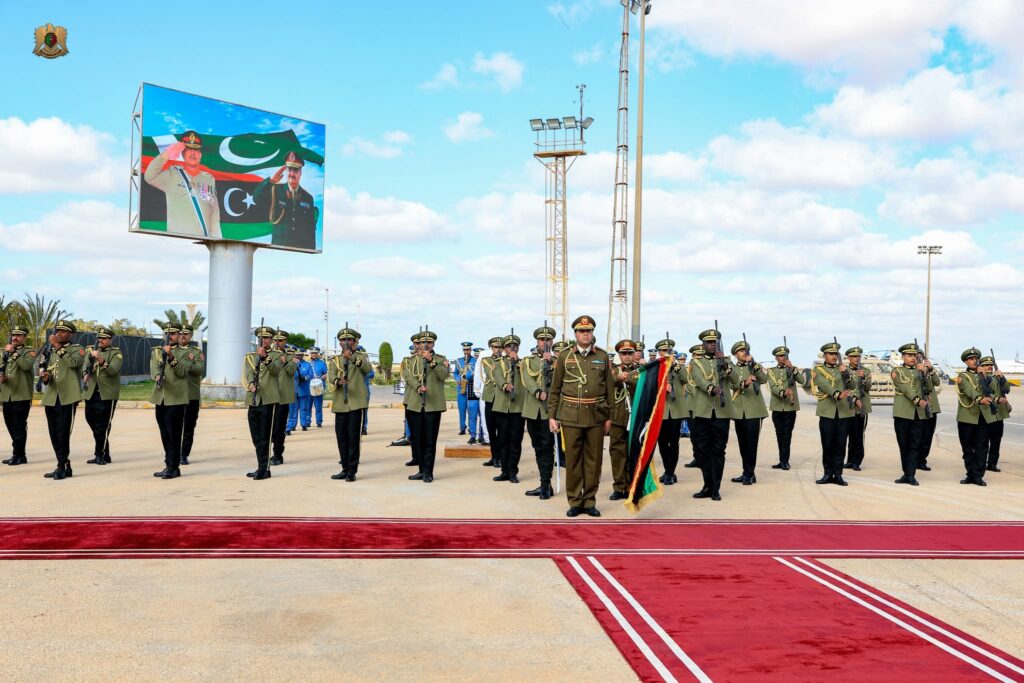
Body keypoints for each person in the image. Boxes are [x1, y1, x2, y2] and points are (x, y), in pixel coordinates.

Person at [547, 315, 615, 518]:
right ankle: (575, 501)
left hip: (596, 415)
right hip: (570, 416)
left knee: (594, 461)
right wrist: (552, 416)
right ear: (575, 334)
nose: (585, 334)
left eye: (588, 331)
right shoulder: (565, 356)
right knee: (573, 460)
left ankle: (590, 501)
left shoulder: (602, 356)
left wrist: (609, 417)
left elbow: (610, 390)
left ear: (592, 333)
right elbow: (555, 389)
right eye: (581, 331)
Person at [143, 131, 221, 238]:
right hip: (177, 239)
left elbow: (214, 214)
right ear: (183, 153)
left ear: (200, 154)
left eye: (196, 149)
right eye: (189, 149)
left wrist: (215, 240)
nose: (193, 153)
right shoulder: (172, 174)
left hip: (203, 241)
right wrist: (166, 155)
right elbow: (149, 176)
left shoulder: (209, 179)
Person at [688, 329, 737, 501]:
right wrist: (711, 388)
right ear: (703, 345)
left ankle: (715, 488)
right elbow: (698, 379)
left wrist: (726, 367)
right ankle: (707, 484)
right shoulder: (696, 362)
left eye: (714, 342)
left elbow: (736, 380)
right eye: (709, 342)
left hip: (721, 413)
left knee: (718, 451)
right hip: (702, 412)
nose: (712, 345)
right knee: (702, 451)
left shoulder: (726, 361)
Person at [39, 320, 85, 480]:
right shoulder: (51, 351)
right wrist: (46, 377)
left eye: (63, 331)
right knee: (53, 433)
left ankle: (62, 465)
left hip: (68, 397)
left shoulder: (77, 350)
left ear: (71, 334)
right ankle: (63, 464)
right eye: (57, 331)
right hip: (52, 397)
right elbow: (51, 370)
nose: (58, 334)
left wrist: (58, 347)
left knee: (63, 433)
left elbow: (73, 363)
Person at [150, 322, 195, 479]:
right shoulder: (157, 351)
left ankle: (174, 467)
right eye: (166, 333)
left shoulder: (186, 352)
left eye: (173, 333)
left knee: (174, 433)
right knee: (164, 433)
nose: (169, 336)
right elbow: (154, 367)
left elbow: (182, 372)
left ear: (179, 335)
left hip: (176, 398)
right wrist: (157, 375)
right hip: (160, 397)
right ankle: (169, 464)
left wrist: (170, 356)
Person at [329, 328, 373, 481]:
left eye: (349, 340)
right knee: (341, 437)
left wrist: (352, 358)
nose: (346, 342)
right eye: (343, 340)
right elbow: (331, 375)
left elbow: (367, 369)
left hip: (356, 403)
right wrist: (338, 381)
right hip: (340, 402)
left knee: (353, 437)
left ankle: (352, 471)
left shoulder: (361, 356)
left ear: (355, 342)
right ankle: (344, 468)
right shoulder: (335, 359)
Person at [406, 329, 449, 483]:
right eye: (423, 342)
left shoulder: (440, 359)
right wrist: (418, 386)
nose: (426, 345)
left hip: (433, 405)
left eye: (429, 342)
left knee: (430, 440)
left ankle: (428, 472)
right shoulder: (411, 360)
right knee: (417, 440)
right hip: (415, 404)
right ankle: (420, 470)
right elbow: (408, 376)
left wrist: (431, 361)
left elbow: (443, 375)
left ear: (433, 344)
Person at [253, 151, 318, 251]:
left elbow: (310, 230)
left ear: (300, 173)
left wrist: (311, 252)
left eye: (295, 170)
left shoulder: (308, 198)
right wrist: (270, 181)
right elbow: (257, 199)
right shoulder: (275, 190)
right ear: (286, 171)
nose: (292, 173)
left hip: (299, 250)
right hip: (279, 248)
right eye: (289, 169)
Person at [811, 340, 854, 486]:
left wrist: (846, 373)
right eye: (831, 354)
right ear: (825, 355)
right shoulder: (818, 370)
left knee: (841, 445)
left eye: (836, 354)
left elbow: (852, 385)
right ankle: (828, 473)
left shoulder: (843, 369)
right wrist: (837, 394)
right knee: (828, 444)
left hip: (843, 413)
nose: (834, 356)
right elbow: (824, 385)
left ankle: (838, 474)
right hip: (827, 412)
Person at [521, 326, 557, 499]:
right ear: (537, 341)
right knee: (538, 447)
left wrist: (551, 365)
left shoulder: (557, 361)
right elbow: (527, 379)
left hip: (549, 412)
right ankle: (545, 483)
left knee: (547, 447)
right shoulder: (529, 361)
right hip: (533, 410)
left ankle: (545, 485)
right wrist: (537, 391)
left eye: (548, 340)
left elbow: (559, 382)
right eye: (542, 340)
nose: (545, 342)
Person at [243, 325, 281, 480]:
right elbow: (248, 373)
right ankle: (261, 466)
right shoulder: (250, 356)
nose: (263, 340)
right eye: (261, 337)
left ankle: (264, 469)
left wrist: (265, 357)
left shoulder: (277, 355)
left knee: (265, 436)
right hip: (254, 399)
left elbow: (276, 371)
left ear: (271, 340)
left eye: (266, 338)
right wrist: (251, 383)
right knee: (256, 437)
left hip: (268, 399)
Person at [729, 338, 767, 486]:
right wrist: (744, 383)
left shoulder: (755, 366)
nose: (744, 353)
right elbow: (732, 384)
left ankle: (749, 474)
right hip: (739, 411)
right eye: (740, 351)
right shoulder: (732, 368)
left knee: (751, 444)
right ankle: (747, 472)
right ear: (735, 354)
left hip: (754, 411)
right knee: (743, 445)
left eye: (745, 350)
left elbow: (763, 379)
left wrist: (754, 365)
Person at [83, 326, 122, 466]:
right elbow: (85, 365)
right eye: (99, 338)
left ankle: (99, 454)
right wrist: (85, 374)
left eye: (104, 338)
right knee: (91, 420)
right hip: (91, 393)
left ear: (110, 340)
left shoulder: (116, 353)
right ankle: (105, 453)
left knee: (102, 426)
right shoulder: (90, 351)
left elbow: (113, 371)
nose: (101, 340)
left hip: (106, 394)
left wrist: (100, 359)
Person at [492, 333, 526, 484]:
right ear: (504, 349)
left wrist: (516, 362)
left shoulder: (523, 363)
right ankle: (504, 470)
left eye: (514, 346)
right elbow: (497, 375)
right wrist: (505, 385)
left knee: (515, 441)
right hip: (502, 408)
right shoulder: (498, 362)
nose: (512, 349)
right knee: (502, 440)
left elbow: (526, 376)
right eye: (508, 346)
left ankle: (512, 471)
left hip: (518, 407)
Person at [1, 323, 36, 467]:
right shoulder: (5, 352)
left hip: (21, 395)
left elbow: (26, 366)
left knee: (19, 426)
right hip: (7, 395)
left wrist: (14, 353)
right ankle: (19, 454)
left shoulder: (29, 352)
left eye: (18, 335)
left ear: (25, 337)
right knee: (10, 425)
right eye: (13, 335)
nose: (14, 338)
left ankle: (19, 455)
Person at [954, 348, 989, 486]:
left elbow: (993, 388)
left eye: (976, 358)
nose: (974, 361)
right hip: (967, 417)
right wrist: (979, 398)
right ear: (965, 362)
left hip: (982, 416)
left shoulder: (985, 375)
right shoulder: (963, 376)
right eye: (971, 359)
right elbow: (968, 389)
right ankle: (970, 474)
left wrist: (984, 376)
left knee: (982, 447)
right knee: (967, 447)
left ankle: (978, 475)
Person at [608, 339, 638, 500]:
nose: (627, 356)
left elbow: (643, 384)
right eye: (624, 353)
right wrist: (618, 377)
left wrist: (627, 378)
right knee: (617, 454)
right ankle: (619, 487)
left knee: (633, 453)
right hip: (617, 418)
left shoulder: (640, 371)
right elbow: (606, 381)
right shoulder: (613, 370)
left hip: (635, 418)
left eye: (630, 353)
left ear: (634, 354)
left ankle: (631, 486)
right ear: (619, 355)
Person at [655, 336, 686, 485]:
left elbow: (686, 379)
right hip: (661, 411)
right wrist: (662, 389)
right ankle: (668, 470)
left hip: (675, 410)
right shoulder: (655, 368)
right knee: (662, 443)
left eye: (669, 351)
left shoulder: (678, 367)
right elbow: (650, 387)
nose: (666, 353)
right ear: (659, 352)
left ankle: (670, 472)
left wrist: (675, 366)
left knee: (673, 443)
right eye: (663, 351)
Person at [766, 345, 800, 471]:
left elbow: (802, 380)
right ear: (776, 358)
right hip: (777, 407)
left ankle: (785, 461)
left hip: (790, 408)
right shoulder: (771, 371)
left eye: (784, 355)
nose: (783, 357)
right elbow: (773, 387)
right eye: (780, 356)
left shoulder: (793, 369)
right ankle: (782, 460)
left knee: (787, 434)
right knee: (779, 434)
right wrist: (783, 392)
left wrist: (793, 369)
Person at [979, 355, 1012, 473]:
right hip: (987, 413)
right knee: (983, 442)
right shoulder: (980, 377)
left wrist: (1002, 377)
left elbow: (1007, 389)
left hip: (999, 414)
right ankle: (981, 463)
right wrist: (997, 399)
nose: (989, 367)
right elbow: (984, 392)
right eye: (986, 365)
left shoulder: (996, 377)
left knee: (996, 441)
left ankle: (992, 464)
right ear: (981, 366)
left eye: (991, 365)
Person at [179, 324, 205, 465]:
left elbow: (199, 369)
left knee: (188, 427)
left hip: (191, 395)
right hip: (175, 395)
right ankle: (173, 453)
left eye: (186, 334)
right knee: (173, 427)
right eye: (181, 333)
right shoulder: (171, 350)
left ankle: (184, 454)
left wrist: (187, 363)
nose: (183, 336)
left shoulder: (196, 352)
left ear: (190, 336)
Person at [271, 331, 297, 464]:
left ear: (285, 342)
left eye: (280, 341)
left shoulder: (290, 356)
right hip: (270, 395)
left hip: (283, 397)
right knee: (269, 427)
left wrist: (285, 361)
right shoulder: (269, 355)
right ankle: (269, 454)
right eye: (275, 340)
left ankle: (278, 455)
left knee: (279, 428)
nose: (277, 343)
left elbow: (292, 372)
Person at [843, 347, 871, 472]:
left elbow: (868, 388)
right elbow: (844, 387)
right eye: (854, 356)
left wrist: (864, 377)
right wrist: (854, 399)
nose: (857, 358)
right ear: (849, 358)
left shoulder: (866, 371)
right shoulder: (844, 370)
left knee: (858, 436)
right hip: (847, 407)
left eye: (858, 356)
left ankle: (856, 461)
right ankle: (849, 460)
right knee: (848, 435)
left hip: (860, 409)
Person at [478, 337, 503, 464]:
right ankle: (494, 457)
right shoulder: (486, 360)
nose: (498, 349)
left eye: (500, 347)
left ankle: (501, 457)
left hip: (502, 399)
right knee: (491, 429)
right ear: (491, 348)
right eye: (495, 347)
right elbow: (492, 374)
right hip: (490, 398)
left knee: (502, 430)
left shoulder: (507, 361)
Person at [917, 353, 943, 471]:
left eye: (920, 357)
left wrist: (930, 369)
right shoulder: (911, 371)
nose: (918, 359)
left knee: (928, 435)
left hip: (931, 407)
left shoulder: (929, 370)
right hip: (918, 407)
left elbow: (937, 382)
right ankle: (914, 459)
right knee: (917, 436)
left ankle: (922, 460)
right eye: (916, 356)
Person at [682, 344, 703, 469]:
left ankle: (704, 457)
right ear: (693, 356)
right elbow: (689, 384)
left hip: (704, 406)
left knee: (703, 435)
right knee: (694, 434)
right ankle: (698, 457)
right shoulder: (688, 369)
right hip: (692, 406)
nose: (698, 357)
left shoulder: (706, 369)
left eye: (701, 355)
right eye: (696, 355)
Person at [453, 341, 478, 438]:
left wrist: (468, 377)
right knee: (462, 409)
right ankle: (462, 427)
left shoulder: (475, 361)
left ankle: (472, 429)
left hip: (470, 387)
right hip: (461, 388)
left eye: (468, 350)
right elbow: (455, 373)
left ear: (470, 350)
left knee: (471, 410)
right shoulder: (459, 361)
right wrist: (458, 379)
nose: (466, 351)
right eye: (464, 350)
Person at [287, 350, 314, 433]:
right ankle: (292, 426)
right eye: (297, 355)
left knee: (304, 409)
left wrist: (305, 378)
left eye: (300, 355)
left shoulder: (307, 364)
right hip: (293, 390)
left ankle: (304, 425)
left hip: (304, 389)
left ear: (303, 355)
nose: (298, 356)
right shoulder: (291, 364)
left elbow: (310, 374)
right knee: (293, 410)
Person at [308, 347, 328, 428]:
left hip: (318, 386)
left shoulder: (322, 363)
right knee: (308, 406)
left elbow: (326, 373)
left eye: (315, 353)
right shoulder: (307, 362)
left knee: (318, 406)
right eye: (312, 353)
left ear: (318, 353)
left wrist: (325, 376)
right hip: (308, 386)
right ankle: (307, 421)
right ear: (310, 353)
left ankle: (319, 421)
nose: (314, 354)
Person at [359, 345, 374, 435]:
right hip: (354, 391)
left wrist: (364, 375)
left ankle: (364, 427)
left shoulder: (367, 364)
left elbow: (372, 374)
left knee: (364, 410)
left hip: (364, 390)